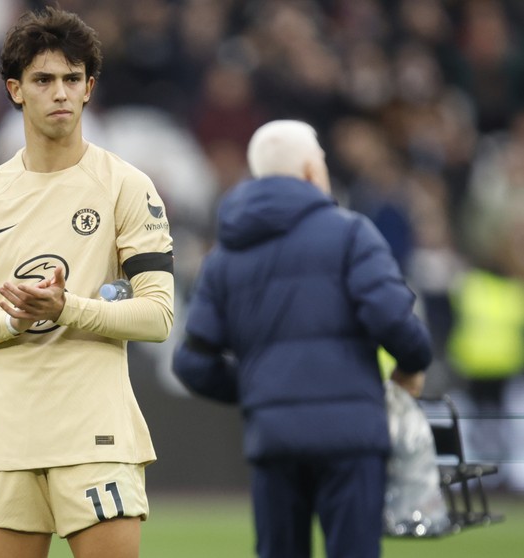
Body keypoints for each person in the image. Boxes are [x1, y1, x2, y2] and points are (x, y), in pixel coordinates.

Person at [0, 7, 174, 558]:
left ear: (90, 88)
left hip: (95, 437)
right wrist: (12, 321)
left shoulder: (126, 186)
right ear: (16, 90)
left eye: (72, 79)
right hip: (3, 440)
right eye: (43, 80)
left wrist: (67, 309)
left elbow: (158, 315)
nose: (60, 92)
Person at [172, 120, 432, 558]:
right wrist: (412, 364)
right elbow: (393, 318)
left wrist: (261, 389)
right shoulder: (351, 234)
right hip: (351, 437)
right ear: (312, 171)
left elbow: (192, 362)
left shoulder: (225, 256)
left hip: (274, 438)